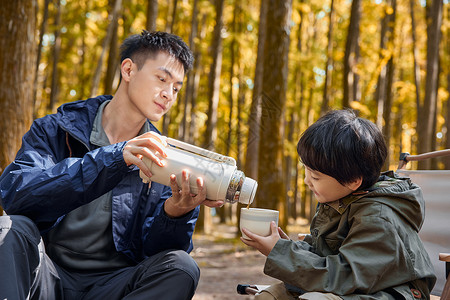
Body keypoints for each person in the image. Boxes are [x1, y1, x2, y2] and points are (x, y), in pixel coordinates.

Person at [0, 30, 223, 300]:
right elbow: (16, 194)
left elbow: (157, 253)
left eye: (176, 88)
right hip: (47, 274)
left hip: (113, 285)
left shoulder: (167, 157)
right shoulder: (56, 129)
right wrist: (115, 157)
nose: (169, 95)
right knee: (10, 228)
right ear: (128, 70)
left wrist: (175, 214)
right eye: (162, 79)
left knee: (182, 267)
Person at [241, 109, 436, 300]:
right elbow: (325, 255)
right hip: (350, 284)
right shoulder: (339, 199)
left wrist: (281, 254)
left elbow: (345, 276)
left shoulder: (377, 217)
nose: (307, 181)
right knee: (270, 295)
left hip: (391, 291)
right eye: (306, 171)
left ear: (353, 181)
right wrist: (285, 247)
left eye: (315, 176)